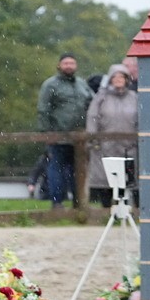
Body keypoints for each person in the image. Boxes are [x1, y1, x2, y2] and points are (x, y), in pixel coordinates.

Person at [37, 53, 93, 209]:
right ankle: (57, 202)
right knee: (56, 169)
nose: (69, 66)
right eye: (66, 63)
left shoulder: (82, 84)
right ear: (59, 65)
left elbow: (92, 103)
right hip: (58, 136)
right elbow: (43, 109)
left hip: (79, 137)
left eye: (72, 63)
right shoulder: (50, 84)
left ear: (76, 66)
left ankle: (79, 203)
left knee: (78, 170)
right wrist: (47, 132)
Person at [86, 63, 138, 208]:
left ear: (127, 79)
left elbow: (140, 119)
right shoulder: (101, 98)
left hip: (129, 147)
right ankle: (106, 211)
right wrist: (93, 139)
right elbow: (92, 117)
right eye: (115, 77)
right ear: (110, 79)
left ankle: (126, 211)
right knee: (106, 179)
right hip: (105, 146)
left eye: (122, 76)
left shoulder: (134, 98)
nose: (118, 79)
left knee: (127, 179)